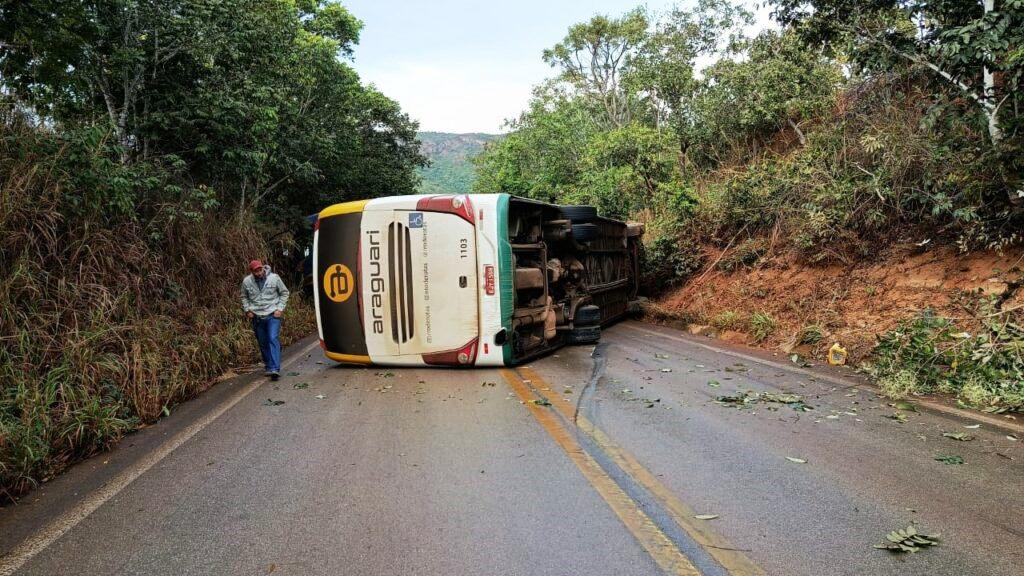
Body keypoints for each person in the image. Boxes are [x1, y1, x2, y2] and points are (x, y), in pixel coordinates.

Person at [241, 259, 290, 380]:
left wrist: (280, 308)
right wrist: (247, 310)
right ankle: (269, 365)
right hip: (257, 316)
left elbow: (284, 293)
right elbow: (244, 297)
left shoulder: (274, 278)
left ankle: (275, 368)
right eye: (256, 271)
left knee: (272, 338)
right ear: (251, 271)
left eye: (260, 269)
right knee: (263, 342)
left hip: (273, 314)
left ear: (263, 268)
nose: (259, 273)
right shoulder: (247, 282)